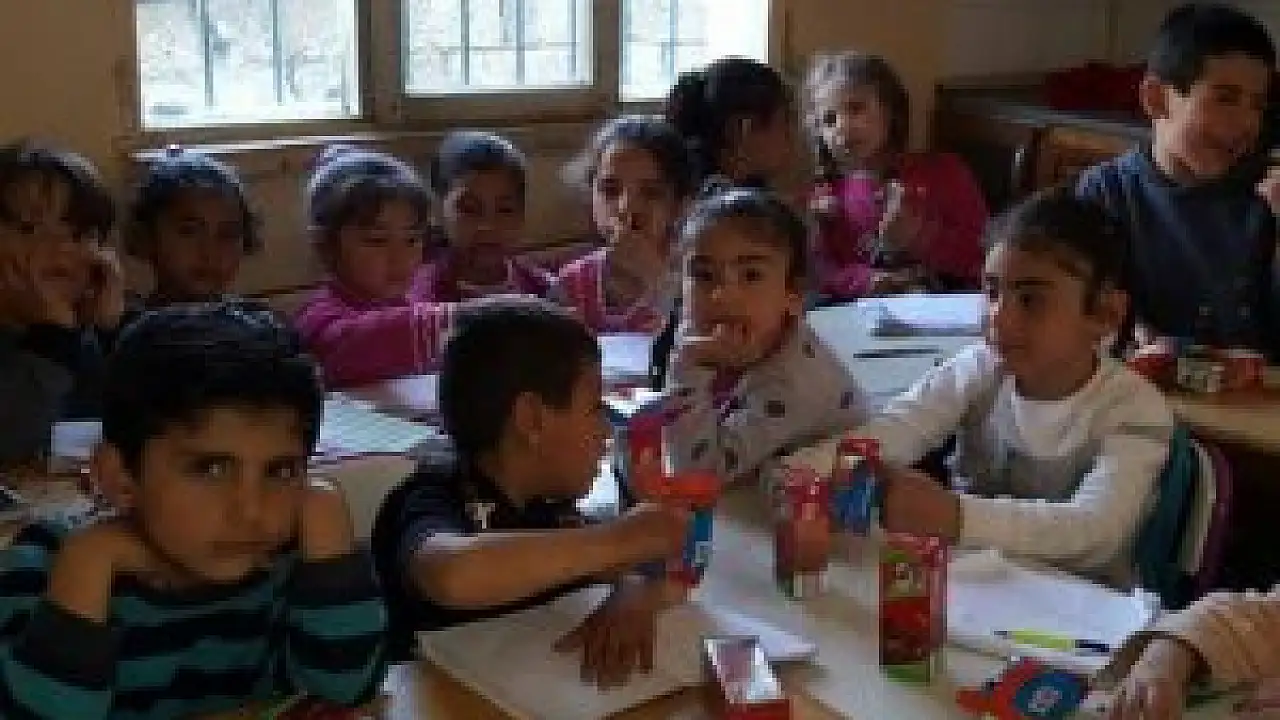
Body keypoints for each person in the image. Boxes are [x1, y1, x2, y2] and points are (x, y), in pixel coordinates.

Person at [0, 302, 387, 719]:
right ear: (120, 477)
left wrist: (325, 511)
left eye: (280, 470)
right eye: (211, 469)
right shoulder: (43, 569)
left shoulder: (299, 557)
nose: (251, 512)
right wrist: (88, 559)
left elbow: (348, 687)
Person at [846, 189, 1173, 586]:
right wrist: (804, 473)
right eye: (991, 292)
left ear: (1105, 314)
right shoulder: (980, 369)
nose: (999, 319)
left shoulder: (1135, 409)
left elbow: (1095, 531)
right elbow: (895, 429)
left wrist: (953, 515)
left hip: (1080, 606)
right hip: (973, 591)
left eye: (1031, 300)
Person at [371, 295, 687, 684]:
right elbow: (452, 575)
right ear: (531, 419)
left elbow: (661, 581)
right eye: (594, 408)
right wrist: (619, 540)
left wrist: (633, 591)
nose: (606, 430)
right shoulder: (432, 497)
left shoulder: (546, 505)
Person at [1076, 3, 1279, 357]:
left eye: (1258, 105)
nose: (1248, 123)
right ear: (1156, 99)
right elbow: (1091, 322)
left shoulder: (1265, 195)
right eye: (1226, 99)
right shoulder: (1106, 193)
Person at [663, 189, 868, 483]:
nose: (722, 295)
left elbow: (696, 476)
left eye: (751, 275)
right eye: (703, 275)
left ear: (793, 295)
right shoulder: (713, 329)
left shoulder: (794, 384)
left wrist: (689, 366)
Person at [804, 52, 987, 299]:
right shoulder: (828, 197)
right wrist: (868, 281)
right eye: (829, 119)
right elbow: (823, 270)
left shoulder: (945, 172)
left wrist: (921, 237)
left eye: (856, 108)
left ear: (890, 111)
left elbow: (983, 254)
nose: (842, 126)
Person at [293, 145, 456, 387]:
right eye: (377, 241)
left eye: (412, 239)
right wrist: (468, 319)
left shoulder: (418, 300)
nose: (400, 258)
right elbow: (363, 343)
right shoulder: (317, 319)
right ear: (325, 245)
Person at [0, 139, 120, 465]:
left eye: (79, 235)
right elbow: (12, 441)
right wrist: (52, 338)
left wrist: (110, 332)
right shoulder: (53, 338)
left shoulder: (91, 327)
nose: (59, 248)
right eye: (30, 230)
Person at [550, 116, 694, 334]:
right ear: (590, 195)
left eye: (651, 193)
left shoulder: (696, 276)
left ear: (680, 206)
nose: (626, 207)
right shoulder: (573, 283)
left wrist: (658, 280)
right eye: (610, 190)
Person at [418, 131, 549, 301]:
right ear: (437, 211)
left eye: (505, 210)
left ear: (522, 215)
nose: (488, 225)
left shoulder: (542, 290)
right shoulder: (419, 300)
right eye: (469, 209)